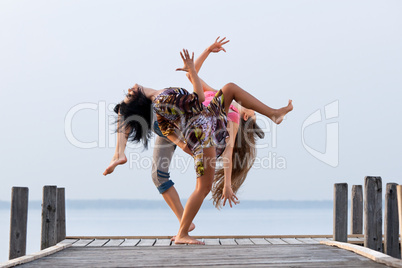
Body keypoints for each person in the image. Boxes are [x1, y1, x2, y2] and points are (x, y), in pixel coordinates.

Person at [104, 46, 293, 244]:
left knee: (229, 88)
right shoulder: (164, 98)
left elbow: (173, 132)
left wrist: (188, 149)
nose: (130, 88)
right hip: (204, 135)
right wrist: (193, 72)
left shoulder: (161, 105)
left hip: (207, 123)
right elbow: (199, 98)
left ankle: (273, 113)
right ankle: (182, 234)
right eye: (130, 93)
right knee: (203, 189)